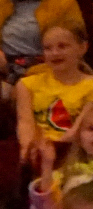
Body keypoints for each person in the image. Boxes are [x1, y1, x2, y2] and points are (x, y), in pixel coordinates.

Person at [15, 23, 93, 170]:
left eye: (62, 46)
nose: (54, 53)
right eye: (48, 48)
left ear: (82, 48)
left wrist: (57, 148)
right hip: (40, 152)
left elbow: (78, 130)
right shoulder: (27, 84)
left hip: (79, 154)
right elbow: (25, 122)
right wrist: (28, 147)